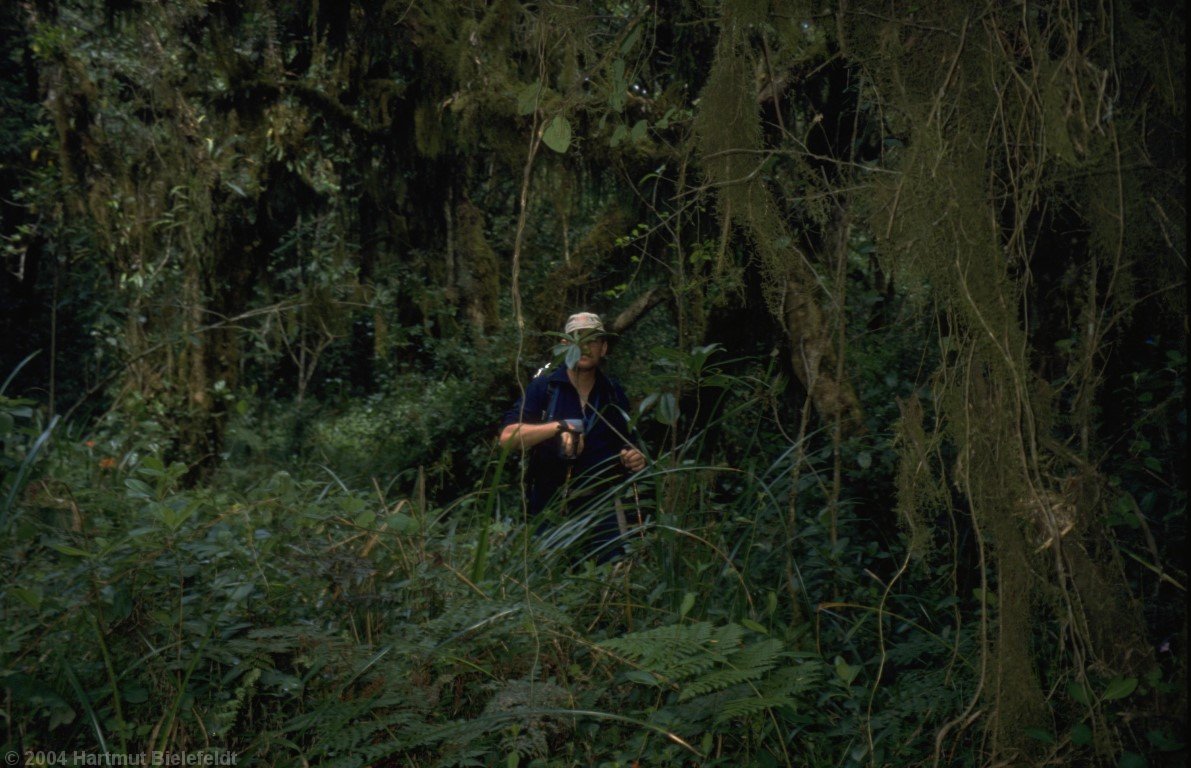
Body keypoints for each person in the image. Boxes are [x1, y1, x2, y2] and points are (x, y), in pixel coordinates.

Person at [499, 312, 647, 558]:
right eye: (576, 340)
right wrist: (560, 427)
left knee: (611, 577)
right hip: (550, 507)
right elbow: (507, 438)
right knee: (550, 582)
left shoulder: (612, 391)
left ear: (604, 347)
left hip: (603, 508)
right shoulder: (544, 388)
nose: (585, 347)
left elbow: (628, 442)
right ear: (564, 346)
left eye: (592, 340)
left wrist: (634, 457)